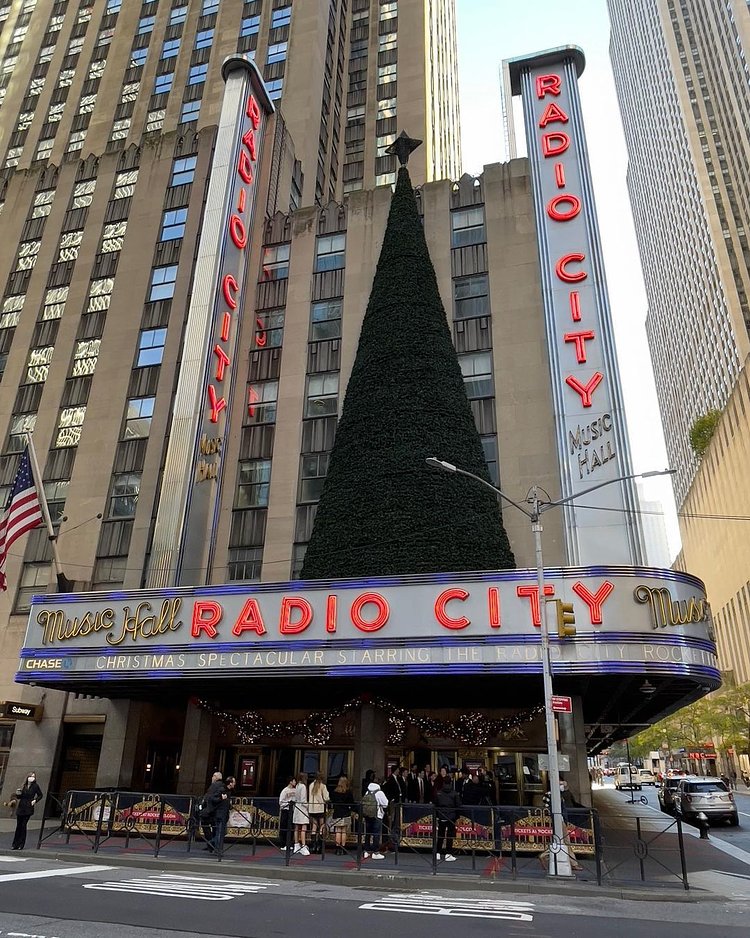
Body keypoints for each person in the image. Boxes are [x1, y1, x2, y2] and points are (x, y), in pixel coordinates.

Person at [11, 771, 43, 851]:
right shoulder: (24, 785)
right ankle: (14, 844)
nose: (32, 778)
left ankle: (21, 844)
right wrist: (18, 794)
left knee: (23, 825)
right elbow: (19, 797)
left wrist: (35, 800)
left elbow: (40, 795)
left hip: (28, 807)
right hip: (21, 807)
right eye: (31, 776)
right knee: (18, 826)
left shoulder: (35, 786)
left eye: (33, 777)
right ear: (28, 777)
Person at [434, 775, 460, 862]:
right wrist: (456, 816)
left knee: (440, 835)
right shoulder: (454, 793)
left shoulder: (439, 793)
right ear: (451, 782)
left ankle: (437, 853)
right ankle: (448, 854)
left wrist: (438, 815)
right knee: (450, 835)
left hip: (441, 816)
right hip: (451, 816)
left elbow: (435, 804)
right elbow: (458, 805)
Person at [362, 778, 389, 860]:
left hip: (367, 815)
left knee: (368, 833)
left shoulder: (367, 792)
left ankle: (366, 851)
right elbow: (385, 804)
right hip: (377, 815)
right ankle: (375, 852)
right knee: (376, 834)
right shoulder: (379, 792)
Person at [329, 775, 355, 854]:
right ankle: (343, 848)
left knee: (338, 830)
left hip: (337, 812)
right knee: (343, 831)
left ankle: (337, 848)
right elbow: (352, 803)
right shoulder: (348, 792)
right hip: (345, 813)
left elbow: (332, 801)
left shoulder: (335, 792)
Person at [199, 771, 224, 850]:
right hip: (217, 811)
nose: (212, 778)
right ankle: (213, 844)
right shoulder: (222, 785)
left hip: (211, 810)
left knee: (205, 824)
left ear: (216, 777)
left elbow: (209, 797)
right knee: (215, 828)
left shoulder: (214, 785)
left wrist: (203, 806)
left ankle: (211, 843)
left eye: (213, 776)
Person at [211, 776, 235, 854]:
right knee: (220, 832)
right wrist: (221, 799)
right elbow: (213, 799)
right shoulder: (222, 790)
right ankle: (217, 849)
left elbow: (226, 802)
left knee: (223, 832)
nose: (234, 784)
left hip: (224, 814)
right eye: (234, 782)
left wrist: (229, 806)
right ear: (230, 783)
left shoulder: (229, 791)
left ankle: (215, 845)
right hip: (220, 814)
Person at [307, 772, 330, 853]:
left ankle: (313, 846)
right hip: (320, 809)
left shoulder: (311, 785)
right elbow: (326, 798)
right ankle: (320, 846)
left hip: (312, 809)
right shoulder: (323, 786)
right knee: (322, 825)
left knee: (314, 826)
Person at [292, 771, 310, 855]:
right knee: (303, 827)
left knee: (296, 827)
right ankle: (303, 845)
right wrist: (309, 806)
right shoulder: (303, 786)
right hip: (302, 809)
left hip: (297, 807)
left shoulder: (297, 785)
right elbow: (303, 800)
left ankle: (296, 844)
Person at [278, 775, 297, 850]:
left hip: (293, 810)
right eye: (294, 781)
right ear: (290, 782)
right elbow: (281, 802)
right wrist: (288, 803)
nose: (295, 782)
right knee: (284, 826)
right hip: (285, 810)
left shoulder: (295, 790)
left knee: (291, 827)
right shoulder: (285, 790)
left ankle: (289, 843)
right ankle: (283, 844)